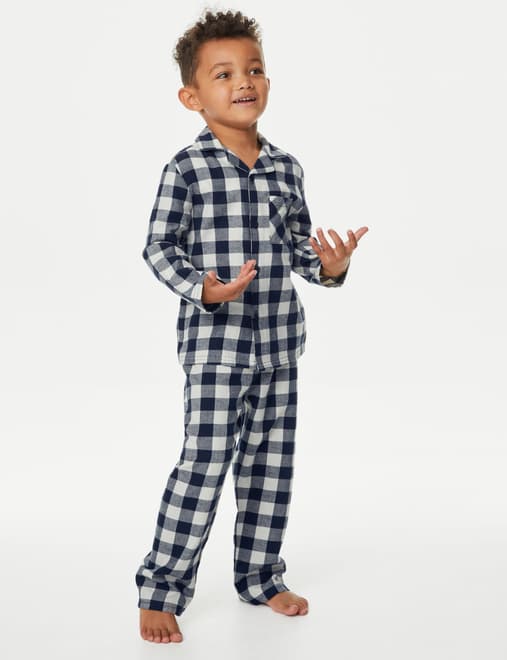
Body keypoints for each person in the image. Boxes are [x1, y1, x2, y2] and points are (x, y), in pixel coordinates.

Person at [135, 9, 368, 644]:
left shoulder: (287, 169)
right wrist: (202, 288)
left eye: (254, 69)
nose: (244, 81)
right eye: (224, 73)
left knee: (270, 466)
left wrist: (330, 267)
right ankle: (161, 589)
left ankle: (261, 576)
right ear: (192, 97)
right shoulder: (186, 169)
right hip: (215, 346)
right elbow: (158, 247)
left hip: (279, 345)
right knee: (205, 462)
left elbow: (298, 250)